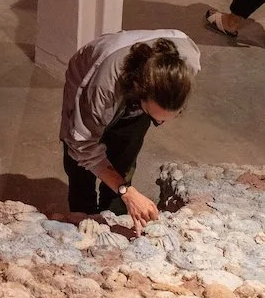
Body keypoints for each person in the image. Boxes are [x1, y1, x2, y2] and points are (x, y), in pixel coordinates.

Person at [60, 30, 199, 233]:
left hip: (140, 99)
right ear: (138, 90)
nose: (160, 123)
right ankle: (85, 216)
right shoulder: (103, 87)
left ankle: (116, 215)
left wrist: (125, 193)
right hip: (89, 76)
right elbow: (81, 145)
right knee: (81, 168)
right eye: (155, 115)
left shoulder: (189, 63)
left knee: (125, 154)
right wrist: (127, 192)